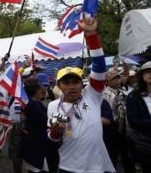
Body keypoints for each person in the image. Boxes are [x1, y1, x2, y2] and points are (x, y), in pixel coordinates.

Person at [47, 17, 115, 173]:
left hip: (97, 167)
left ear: (82, 84)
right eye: (66, 83)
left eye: (75, 82)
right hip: (68, 167)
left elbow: (99, 67)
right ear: (59, 86)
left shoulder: (92, 95)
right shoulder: (52, 106)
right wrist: (56, 131)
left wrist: (91, 35)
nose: (72, 86)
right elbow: (52, 138)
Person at [20, 77, 59, 173]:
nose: (43, 89)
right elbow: (46, 120)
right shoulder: (33, 105)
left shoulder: (29, 102)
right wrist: (60, 119)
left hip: (32, 143)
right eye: (41, 87)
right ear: (36, 90)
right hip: (37, 146)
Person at [102, 68, 136, 172]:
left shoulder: (124, 92)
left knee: (127, 155)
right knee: (112, 154)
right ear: (107, 82)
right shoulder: (103, 95)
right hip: (112, 129)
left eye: (118, 78)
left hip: (125, 128)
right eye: (113, 79)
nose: (117, 80)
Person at [126, 61, 151, 173]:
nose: (150, 74)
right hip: (145, 144)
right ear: (141, 76)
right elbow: (133, 122)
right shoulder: (133, 96)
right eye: (147, 72)